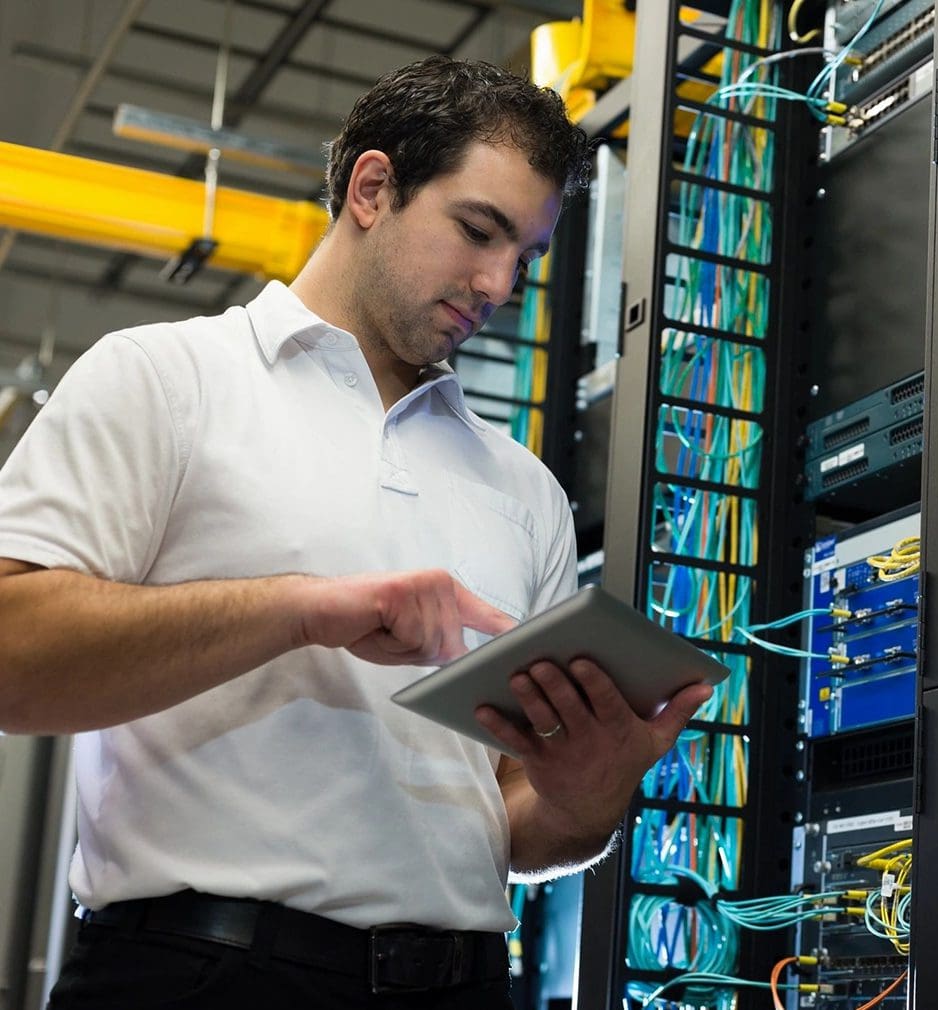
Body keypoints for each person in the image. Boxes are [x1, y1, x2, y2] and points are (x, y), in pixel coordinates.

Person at [0, 56, 711, 1009]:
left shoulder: (523, 490)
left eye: (526, 257)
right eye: (477, 230)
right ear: (373, 188)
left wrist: (585, 797)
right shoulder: (166, 378)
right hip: (200, 974)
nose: (498, 282)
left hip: (459, 982)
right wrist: (303, 610)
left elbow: (508, 822)